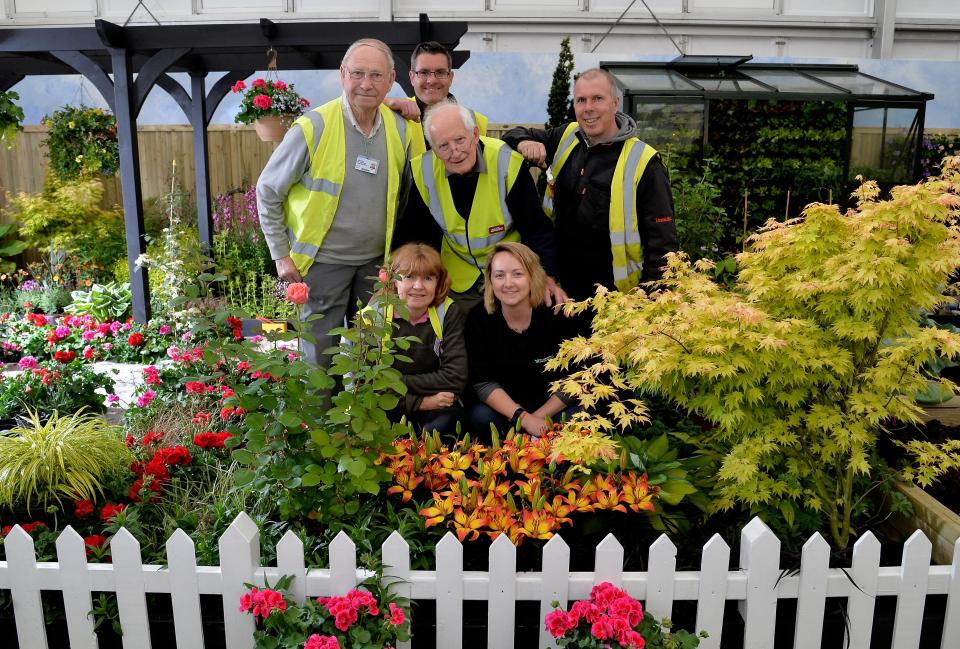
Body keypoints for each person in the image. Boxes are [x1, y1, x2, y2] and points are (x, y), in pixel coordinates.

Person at [256, 38, 414, 368]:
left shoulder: (402, 130)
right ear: (342, 74)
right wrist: (281, 256)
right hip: (321, 266)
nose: (366, 84)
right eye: (358, 73)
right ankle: (317, 422)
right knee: (318, 361)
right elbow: (268, 191)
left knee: (373, 358)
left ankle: (361, 421)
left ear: (391, 79)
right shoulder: (314, 127)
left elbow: (411, 198)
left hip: (376, 267)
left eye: (376, 75)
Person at [502, 68, 679, 301]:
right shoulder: (567, 136)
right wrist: (525, 142)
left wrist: (646, 308)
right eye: (581, 100)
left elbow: (663, 248)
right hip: (562, 292)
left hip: (617, 301)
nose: (588, 108)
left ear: (615, 103)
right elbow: (512, 134)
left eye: (597, 99)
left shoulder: (644, 162)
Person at [394, 100, 566, 314]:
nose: (454, 151)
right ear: (434, 149)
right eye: (443, 146)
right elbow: (413, 235)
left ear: (475, 135)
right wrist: (392, 280)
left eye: (460, 140)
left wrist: (547, 277)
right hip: (456, 280)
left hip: (508, 274)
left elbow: (536, 228)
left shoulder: (507, 163)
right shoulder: (423, 170)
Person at [465, 242, 582, 437]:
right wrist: (523, 419)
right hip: (508, 411)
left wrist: (536, 420)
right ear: (490, 281)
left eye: (517, 274)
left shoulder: (558, 312)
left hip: (553, 408)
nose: (508, 283)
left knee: (580, 413)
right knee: (480, 416)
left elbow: (577, 378)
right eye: (499, 275)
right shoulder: (478, 319)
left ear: (532, 277)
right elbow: (483, 383)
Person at [373, 243, 467, 437]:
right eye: (409, 277)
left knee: (445, 424)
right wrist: (423, 402)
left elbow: (455, 377)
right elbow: (370, 387)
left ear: (438, 283)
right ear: (393, 281)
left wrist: (397, 381)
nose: (418, 286)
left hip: (439, 406)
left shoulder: (448, 312)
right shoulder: (373, 317)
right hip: (389, 405)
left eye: (428, 278)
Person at [383, 41, 489, 157]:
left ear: (450, 77)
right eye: (424, 72)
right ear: (412, 77)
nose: (432, 80)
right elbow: (360, 110)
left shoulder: (477, 121)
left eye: (440, 72)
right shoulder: (393, 116)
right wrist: (385, 102)